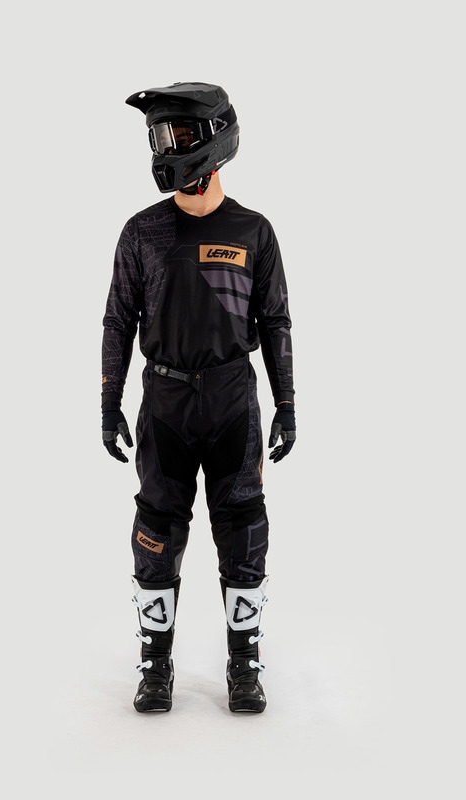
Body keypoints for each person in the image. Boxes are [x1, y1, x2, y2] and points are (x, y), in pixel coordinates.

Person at [100, 81, 296, 714]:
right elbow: (117, 320)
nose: (166, 149)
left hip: (233, 398)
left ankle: (245, 664)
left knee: (244, 527)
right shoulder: (142, 232)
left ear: (216, 138)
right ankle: (155, 665)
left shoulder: (254, 231)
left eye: (178, 135)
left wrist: (287, 404)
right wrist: (108, 401)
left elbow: (276, 321)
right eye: (158, 136)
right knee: (156, 527)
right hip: (164, 401)